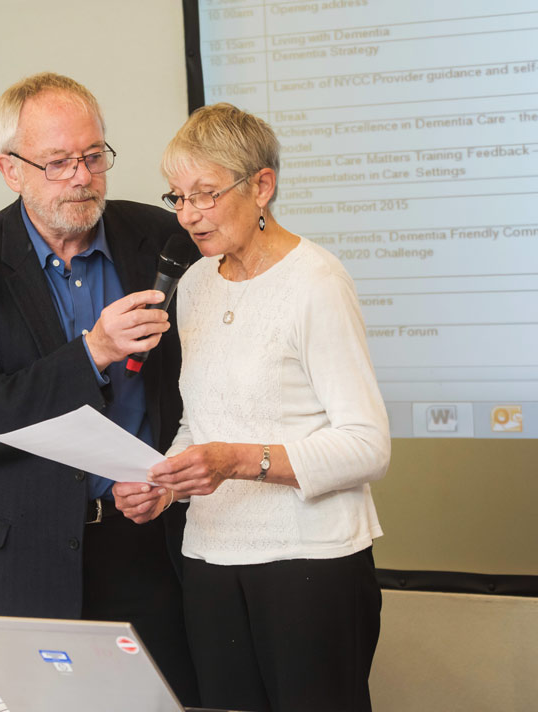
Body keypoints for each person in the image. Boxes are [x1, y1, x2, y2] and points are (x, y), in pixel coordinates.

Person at [0, 72, 198, 705]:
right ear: (10, 169)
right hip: (22, 564)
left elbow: (196, 388)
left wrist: (170, 477)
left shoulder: (158, 238)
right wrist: (95, 350)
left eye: (94, 156)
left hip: (146, 548)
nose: (81, 176)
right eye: (58, 161)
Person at [114, 103, 391, 712]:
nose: (188, 215)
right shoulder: (195, 285)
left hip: (310, 565)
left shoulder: (316, 282)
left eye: (206, 194)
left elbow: (368, 444)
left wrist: (237, 461)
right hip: (210, 560)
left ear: (261, 185)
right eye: (178, 197)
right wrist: (167, 480)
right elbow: (201, 421)